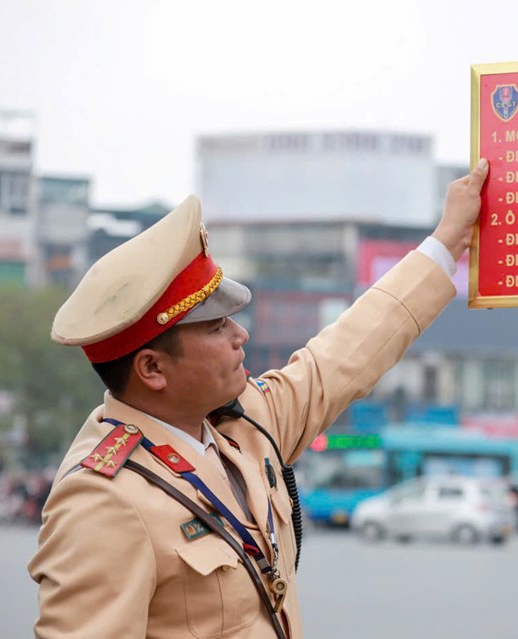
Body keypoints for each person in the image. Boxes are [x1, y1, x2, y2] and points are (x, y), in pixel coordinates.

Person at [28, 158, 489, 639]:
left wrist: (447, 240)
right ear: (152, 369)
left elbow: (345, 355)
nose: (240, 335)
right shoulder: (102, 498)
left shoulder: (241, 424)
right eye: (216, 326)